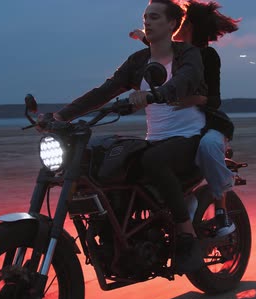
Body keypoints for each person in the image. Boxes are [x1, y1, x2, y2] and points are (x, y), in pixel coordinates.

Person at [54, 0, 206, 273]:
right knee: (107, 162)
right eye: (145, 16)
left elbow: (186, 80)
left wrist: (155, 94)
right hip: (156, 138)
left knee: (153, 161)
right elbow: (105, 91)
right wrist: (61, 116)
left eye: (155, 17)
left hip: (189, 137)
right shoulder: (138, 62)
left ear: (172, 24)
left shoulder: (187, 54)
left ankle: (186, 235)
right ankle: (119, 234)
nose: (147, 21)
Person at [130, 0, 240, 238]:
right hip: (177, 126)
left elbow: (215, 99)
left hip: (209, 121)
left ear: (189, 25)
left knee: (209, 146)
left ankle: (221, 211)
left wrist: (194, 100)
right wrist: (142, 36)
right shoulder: (174, 51)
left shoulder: (208, 56)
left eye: (183, 20)